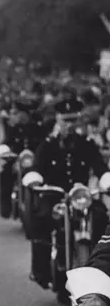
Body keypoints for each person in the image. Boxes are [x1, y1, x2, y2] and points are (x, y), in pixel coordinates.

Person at [23, 97, 110, 292]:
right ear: (58, 120)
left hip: (81, 197)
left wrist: (106, 180)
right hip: (55, 196)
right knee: (42, 218)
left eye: (73, 121)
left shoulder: (86, 144)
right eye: (65, 120)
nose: (69, 125)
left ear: (79, 122)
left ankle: (102, 273)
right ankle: (41, 271)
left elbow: (99, 166)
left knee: (102, 217)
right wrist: (35, 178)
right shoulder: (48, 145)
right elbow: (37, 166)